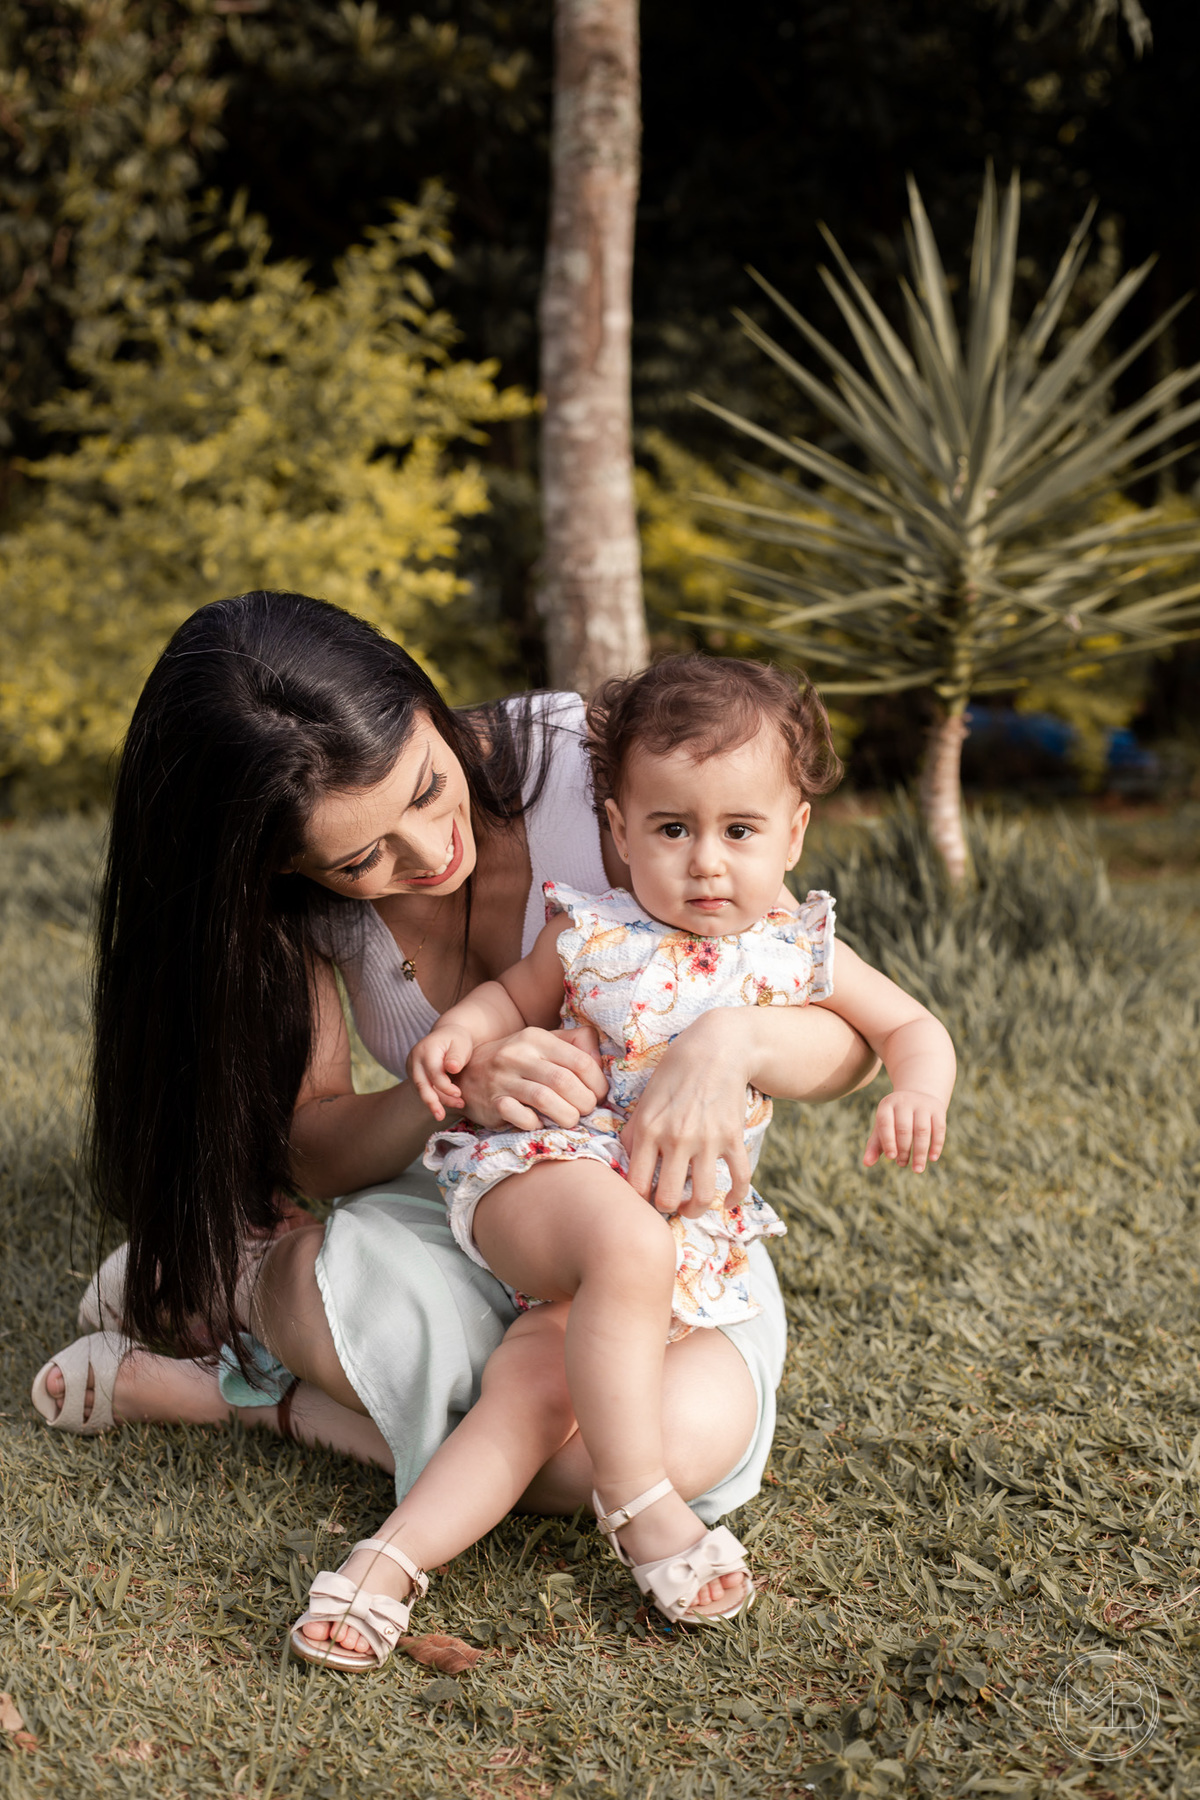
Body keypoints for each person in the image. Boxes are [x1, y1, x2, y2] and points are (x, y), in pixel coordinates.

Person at [30, 593, 879, 1656]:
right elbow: (317, 1142)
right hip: (477, 1204)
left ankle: (253, 1404)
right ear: (284, 869)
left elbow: (846, 1036)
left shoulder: (606, 774)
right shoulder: (284, 913)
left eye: (429, 791)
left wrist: (734, 1046)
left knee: (610, 1454)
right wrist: (454, 1089)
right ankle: (252, 1279)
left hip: (660, 1233)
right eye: (360, 860)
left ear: (425, 703)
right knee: (354, 1302)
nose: (429, 852)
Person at [291, 657, 953, 1652]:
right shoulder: (592, 931)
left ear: (795, 833)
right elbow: (510, 1000)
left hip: (691, 1239)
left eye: (740, 831)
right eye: (671, 829)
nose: (706, 863)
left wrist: (918, 1092)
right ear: (617, 830)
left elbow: (910, 1028)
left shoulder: (796, 949)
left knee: (540, 1392)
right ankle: (642, 1510)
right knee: (626, 1251)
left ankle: (379, 1567)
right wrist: (455, 1045)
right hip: (548, 1178)